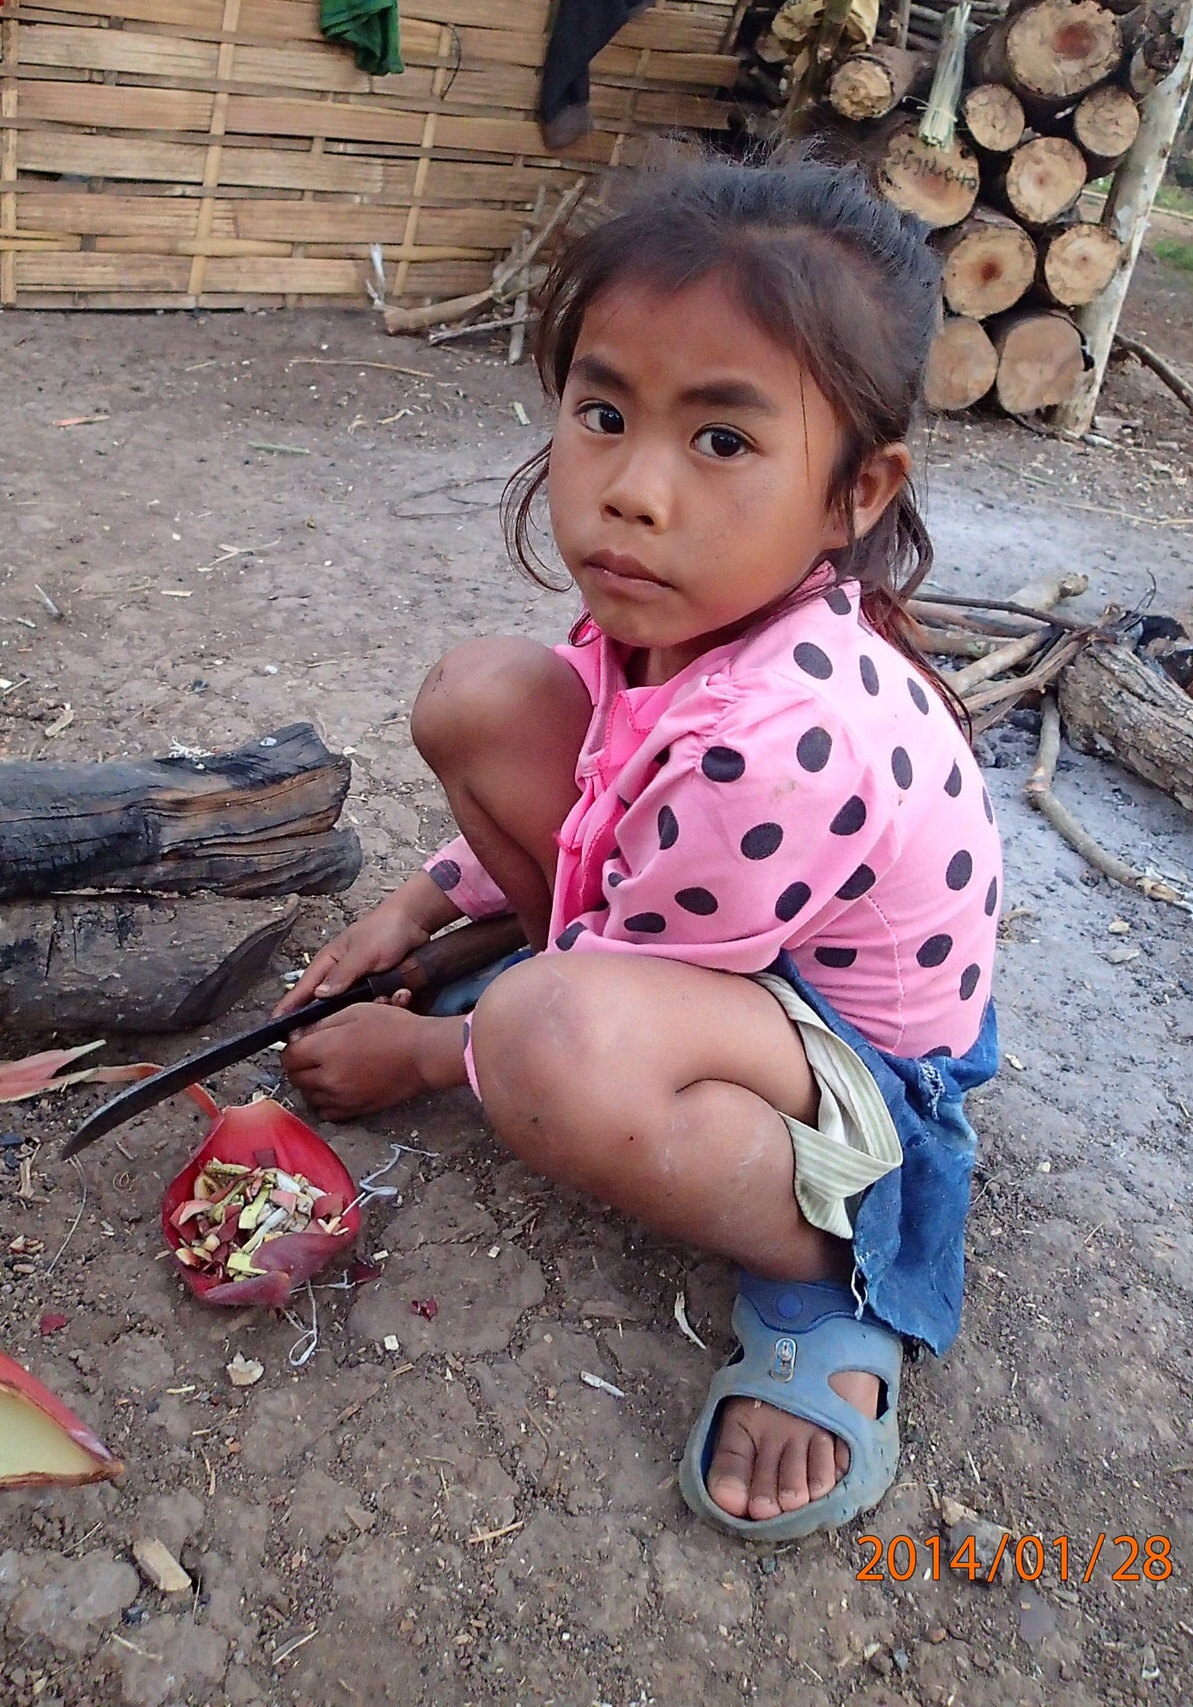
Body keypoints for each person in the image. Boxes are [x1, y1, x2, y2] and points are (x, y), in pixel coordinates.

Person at [279, 155, 1001, 1542]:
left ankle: (836, 1259)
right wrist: (418, 908)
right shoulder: (681, 612)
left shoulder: (781, 736)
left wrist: (424, 1055)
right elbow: (605, 788)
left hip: (865, 1069)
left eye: (722, 440)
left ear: (856, 492)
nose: (634, 491)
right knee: (483, 696)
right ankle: (541, 987)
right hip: (721, 945)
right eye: (604, 415)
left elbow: (599, 989)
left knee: (549, 1039)